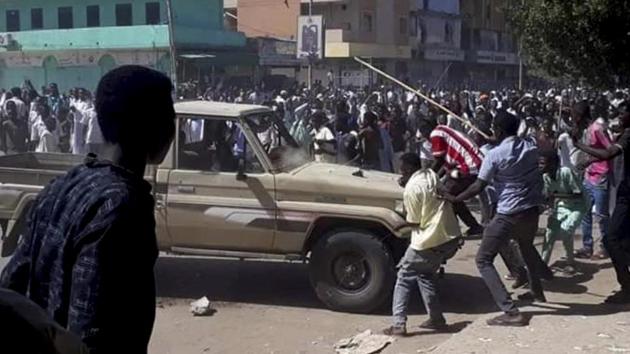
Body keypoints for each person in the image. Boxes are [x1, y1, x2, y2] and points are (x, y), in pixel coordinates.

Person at [0, 66, 176, 352]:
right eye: (170, 119)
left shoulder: (62, 185)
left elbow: (11, 286)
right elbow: (94, 329)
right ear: (155, 127)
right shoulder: (122, 208)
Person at [441, 111, 547, 326]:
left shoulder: (494, 154)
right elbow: (540, 149)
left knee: (483, 259)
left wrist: (454, 198)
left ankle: (511, 312)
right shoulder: (531, 146)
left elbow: (478, 185)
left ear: (497, 131)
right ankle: (537, 292)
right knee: (526, 247)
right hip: (532, 210)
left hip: (509, 213)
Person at [383, 153, 462, 336]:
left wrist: (398, 225)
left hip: (429, 239)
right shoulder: (431, 175)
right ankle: (436, 319)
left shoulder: (412, 189)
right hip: (449, 237)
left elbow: (415, 222)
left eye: (402, 168)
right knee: (425, 275)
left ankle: (398, 325)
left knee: (403, 277)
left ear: (409, 169)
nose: (399, 171)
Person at [571, 101, 630, 304]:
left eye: (623, 114)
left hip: (616, 187)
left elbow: (607, 153)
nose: (619, 117)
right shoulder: (621, 132)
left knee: (610, 237)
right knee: (619, 240)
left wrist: (579, 146)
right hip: (616, 187)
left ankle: (627, 286)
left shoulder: (625, 135)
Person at [418, 118, 485, 237]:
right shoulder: (442, 129)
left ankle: (453, 230)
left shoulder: (435, 134)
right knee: (451, 196)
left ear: (425, 132)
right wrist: (435, 178)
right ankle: (473, 226)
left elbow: (439, 161)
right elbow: (444, 164)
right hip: (470, 166)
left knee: (445, 194)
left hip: (468, 167)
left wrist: (426, 178)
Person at [572, 101, 611, 260]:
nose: (572, 118)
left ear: (580, 115)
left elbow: (610, 150)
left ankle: (605, 247)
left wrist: (589, 160)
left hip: (601, 176)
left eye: (574, 115)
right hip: (589, 176)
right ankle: (587, 246)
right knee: (585, 213)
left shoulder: (597, 129)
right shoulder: (586, 130)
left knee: (601, 215)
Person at [538, 149, 585, 274]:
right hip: (561, 206)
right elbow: (550, 196)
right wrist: (547, 207)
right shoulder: (546, 177)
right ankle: (543, 265)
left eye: (543, 163)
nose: (540, 166)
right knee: (549, 233)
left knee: (566, 230)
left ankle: (570, 262)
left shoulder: (566, 172)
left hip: (578, 206)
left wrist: (557, 196)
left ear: (553, 163)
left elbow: (578, 195)